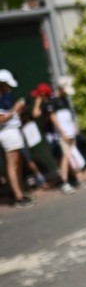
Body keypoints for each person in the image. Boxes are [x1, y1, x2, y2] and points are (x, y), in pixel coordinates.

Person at [0, 69, 36, 208]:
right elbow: (1, 119)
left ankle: (20, 192)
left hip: (13, 131)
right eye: (7, 84)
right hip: (7, 133)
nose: (9, 87)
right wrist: (15, 108)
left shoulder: (6, 95)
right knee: (12, 165)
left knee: (18, 164)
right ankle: (18, 197)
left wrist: (18, 110)